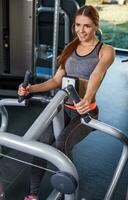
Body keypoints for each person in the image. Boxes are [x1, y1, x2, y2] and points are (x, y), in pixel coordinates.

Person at [18, 5, 115, 200]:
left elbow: (97, 74)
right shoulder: (70, 48)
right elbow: (55, 81)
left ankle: (67, 193)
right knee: (41, 144)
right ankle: (33, 195)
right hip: (62, 107)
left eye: (86, 26)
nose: (81, 30)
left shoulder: (105, 51)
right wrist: (30, 89)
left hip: (85, 112)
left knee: (61, 145)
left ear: (96, 25)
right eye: (77, 25)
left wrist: (86, 99)